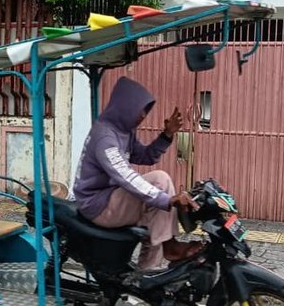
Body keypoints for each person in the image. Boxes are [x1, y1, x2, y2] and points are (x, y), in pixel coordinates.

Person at [73, 77, 202, 271]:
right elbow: (125, 176)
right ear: (125, 107)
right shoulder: (105, 137)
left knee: (159, 207)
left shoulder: (124, 131)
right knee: (160, 184)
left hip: (112, 197)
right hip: (98, 204)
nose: (143, 115)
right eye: (139, 110)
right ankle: (169, 247)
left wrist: (166, 135)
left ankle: (147, 277)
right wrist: (167, 200)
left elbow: (145, 156)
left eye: (146, 111)